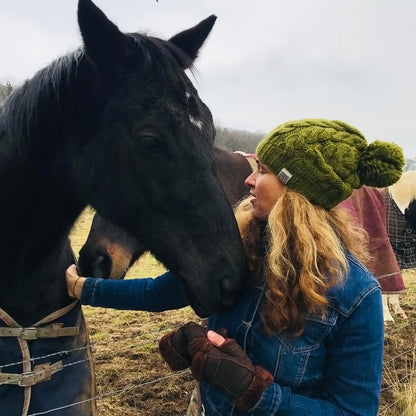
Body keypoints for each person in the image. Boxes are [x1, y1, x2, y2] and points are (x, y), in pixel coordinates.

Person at [66, 119, 405, 415]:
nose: (249, 180)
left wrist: (254, 391)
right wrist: (84, 288)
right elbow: (160, 291)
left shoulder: (356, 295)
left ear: (296, 189)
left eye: (264, 171)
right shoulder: (238, 248)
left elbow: (353, 411)